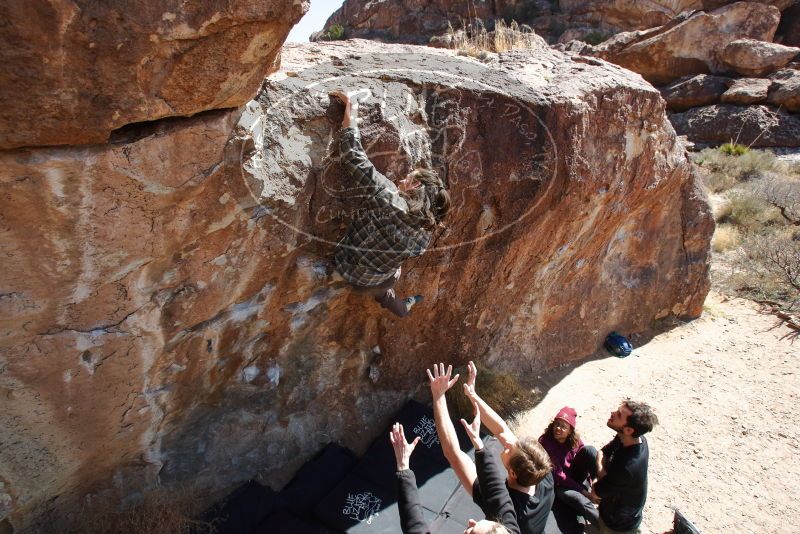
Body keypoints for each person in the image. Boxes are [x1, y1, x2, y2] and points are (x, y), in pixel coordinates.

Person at [330, 90, 451, 318]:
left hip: (347, 269)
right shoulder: (425, 233)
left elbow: (353, 155)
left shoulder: (386, 195)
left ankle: (401, 305)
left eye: (409, 177)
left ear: (416, 187)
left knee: (383, 274)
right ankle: (403, 308)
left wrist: (351, 108)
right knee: (388, 282)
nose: (403, 177)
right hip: (375, 281)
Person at [428, 362, 555, 534]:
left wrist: (438, 396)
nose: (508, 443)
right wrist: (472, 395)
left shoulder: (503, 509)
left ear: (513, 473)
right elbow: (502, 430)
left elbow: (453, 454)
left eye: (510, 449)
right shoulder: (542, 474)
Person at [390, 403, 520, 534]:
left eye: (471, 531)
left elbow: (414, 526)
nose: (471, 521)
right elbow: (497, 492)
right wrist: (480, 447)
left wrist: (403, 466)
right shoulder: (509, 531)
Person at [586, 401, 659, 534]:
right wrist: (602, 475)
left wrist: (599, 479)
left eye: (618, 415)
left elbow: (595, 492)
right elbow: (603, 452)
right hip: (616, 498)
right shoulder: (630, 438)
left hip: (618, 522)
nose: (612, 413)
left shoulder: (628, 468)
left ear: (629, 430)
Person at [538, 407, 599, 527]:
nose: (558, 429)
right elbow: (560, 477)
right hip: (559, 485)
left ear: (570, 431)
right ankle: (603, 526)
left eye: (563, 426)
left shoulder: (574, 440)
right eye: (557, 424)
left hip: (572, 474)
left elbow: (582, 450)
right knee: (580, 500)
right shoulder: (546, 442)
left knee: (590, 450)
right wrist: (585, 493)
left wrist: (593, 481)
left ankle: (601, 493)